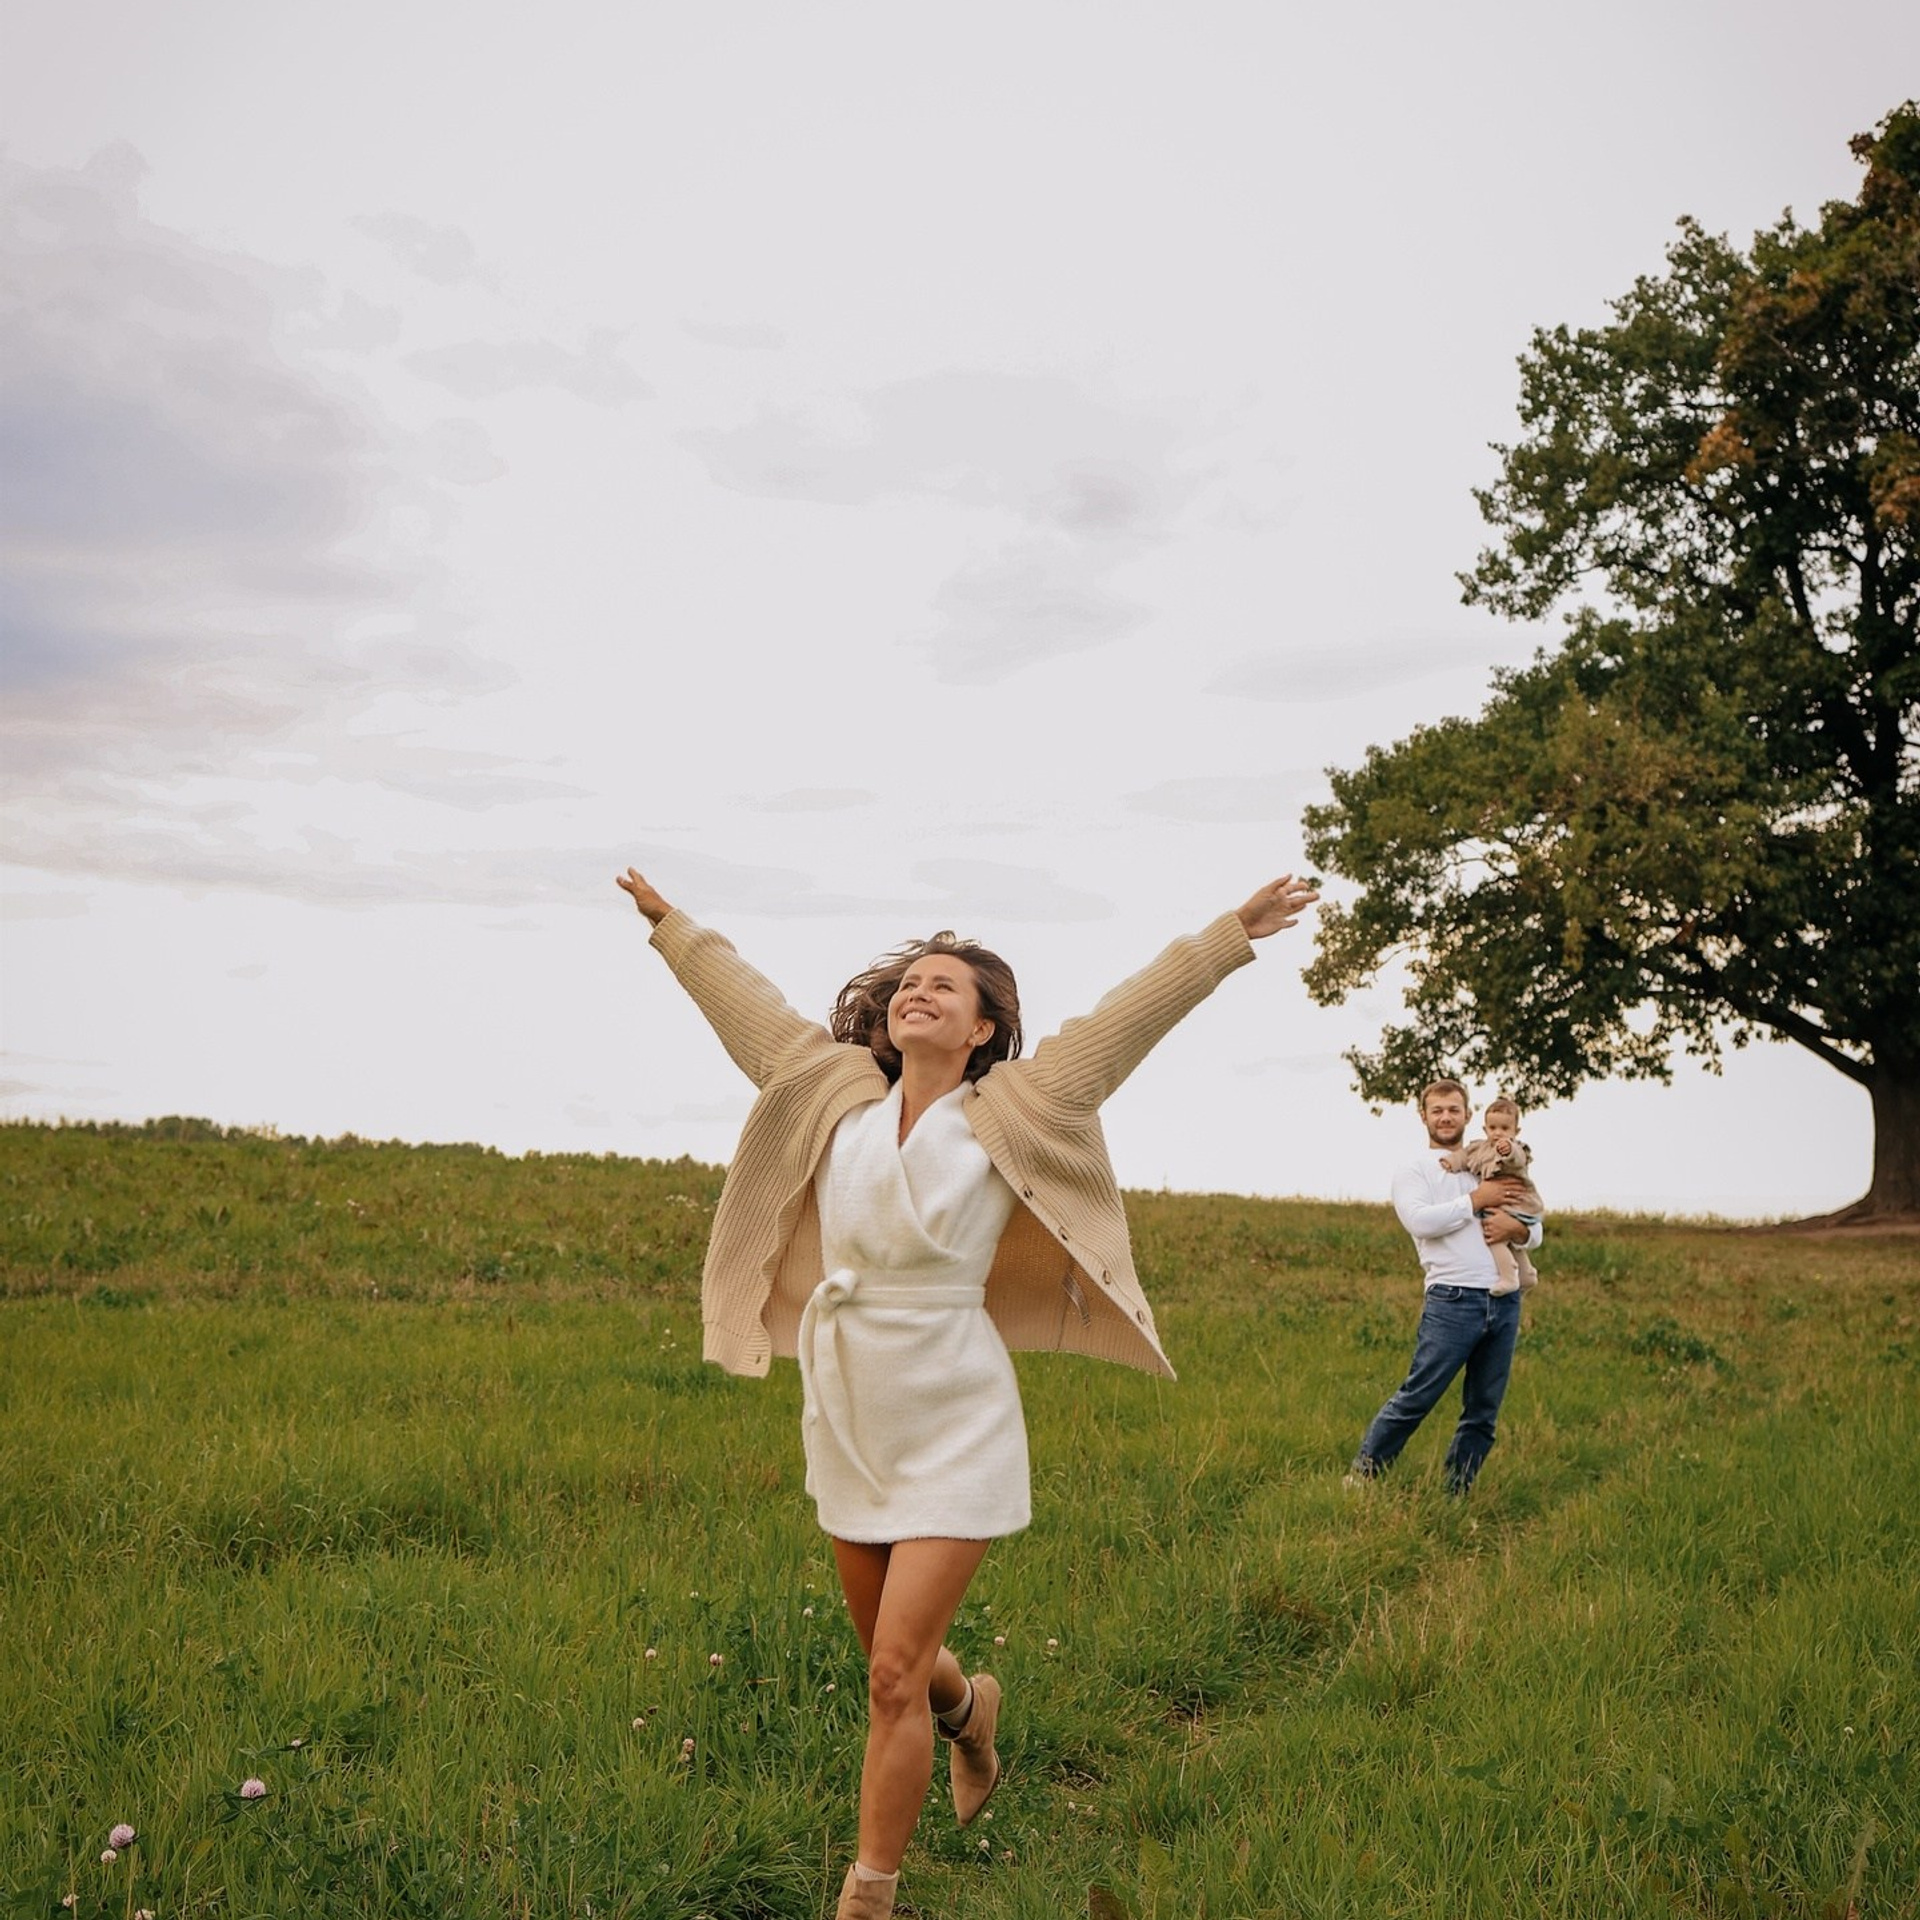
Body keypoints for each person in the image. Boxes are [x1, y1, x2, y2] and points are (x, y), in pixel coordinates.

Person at [616, 864, 1318, 1920]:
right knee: (902, 1663)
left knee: (888, 1677)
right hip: (850, 1406)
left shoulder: (1023, 1104)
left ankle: (869, 1897)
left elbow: (1131, 1014)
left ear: (986, 1028)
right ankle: (973, 1713)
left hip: (957, 1408)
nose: (918, 993)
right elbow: (750, 1012)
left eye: (946, 986)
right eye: (908, 984)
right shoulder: (827, 1088)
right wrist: (675, 930)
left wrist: (1233, 932)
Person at [1348, 1079, 1541, 1495]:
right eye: (1437, 1110)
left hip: (1504, 1301)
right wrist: (1476, 1200)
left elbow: (1532, 1221)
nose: (1446, 1117)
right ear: (1423, 1116)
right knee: (1418, 1395)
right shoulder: (1415, 1170)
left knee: (1483, 1410)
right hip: (1452, 1299)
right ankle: (1363, 1476)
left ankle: (1456, 1491)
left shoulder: (1489, 1159)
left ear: (1469, 1115)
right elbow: (1421, 1221)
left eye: (1454, 1109)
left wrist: (1520, 1232)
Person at [1441, 1096, 1544, 1296]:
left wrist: (1508, 1150)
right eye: (1493, 1128)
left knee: (1494, 1235)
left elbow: (1518, 1158)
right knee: (1507, 1238)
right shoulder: (1479, 1147)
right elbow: (1464, 1156)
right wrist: (1452, 1162)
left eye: (1505, 1129)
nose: (1498, 1133)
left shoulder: (1517, 1148)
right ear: (1485, 1128)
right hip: (1499, 1203)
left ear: (1516, 1131)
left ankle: (1508, 1276)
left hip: (1516, 1202)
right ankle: (1527, 1274)